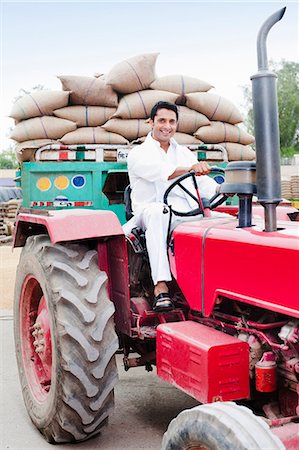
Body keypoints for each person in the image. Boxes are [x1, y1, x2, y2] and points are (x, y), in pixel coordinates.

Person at [123, 101, 220, 312]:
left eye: (172, 121)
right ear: (151, 122)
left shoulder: (184, 152)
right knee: (160, 212)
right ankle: (161, 287)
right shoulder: (138, 153)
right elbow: (161, 171)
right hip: (149, 213)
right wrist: (190, 169)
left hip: (184, 214)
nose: (167, 126)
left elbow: (203, 185)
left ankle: (218, 286)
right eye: (162, 121)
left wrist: (228, 190)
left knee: (224, 221)